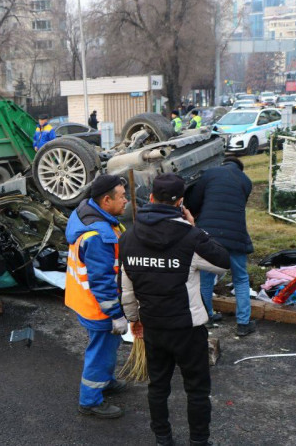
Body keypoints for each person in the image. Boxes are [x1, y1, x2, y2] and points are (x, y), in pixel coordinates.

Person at [119, 173, 230, 446]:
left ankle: (163, 439)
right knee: (197, 390)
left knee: (157, 386)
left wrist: (134, 319)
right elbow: (223, 262)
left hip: (153, 327)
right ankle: (199, 442)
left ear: (152, 197)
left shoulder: (128, 237)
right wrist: (195, 226)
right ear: (181, 202)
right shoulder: (190, 236)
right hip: (187, 329)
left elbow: (127, 288)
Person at [64, 174, 129, 419]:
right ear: (105, 200)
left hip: (83, 299)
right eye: (121, 197)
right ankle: (90, 400)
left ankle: (105, 380)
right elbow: (102, 280)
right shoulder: (100, 236)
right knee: (101, 351)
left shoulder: (85, 213)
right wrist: (116, 314)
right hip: (98, 306)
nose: (126, 201)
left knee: (107, 348)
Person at [185, 157, 255, 336]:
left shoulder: (210, 174)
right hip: (236, 235)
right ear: (240, 169)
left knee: (206, 277)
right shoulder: (246, 181)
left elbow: (193, 201)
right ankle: (243, 324)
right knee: (240, 278)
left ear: (223, 164)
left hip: (209, 236)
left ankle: (207, 317)